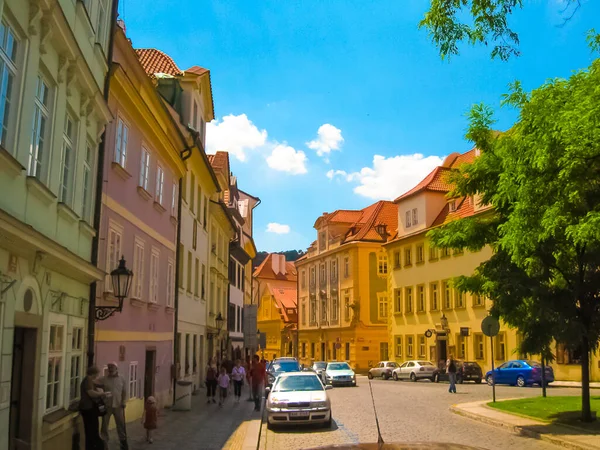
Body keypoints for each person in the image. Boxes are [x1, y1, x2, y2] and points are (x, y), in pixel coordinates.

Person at [100, 362, 129, 450]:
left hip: (118, 406)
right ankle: (105, 445)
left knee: (121, 425)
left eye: (112, 367)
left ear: (116, 368)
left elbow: (124, 392)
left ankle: (123, 444)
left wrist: (124, 402)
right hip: (107, 406)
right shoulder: (104, 379)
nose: (110, 369)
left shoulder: (122, 379)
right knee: (104, 426)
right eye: (109, 367)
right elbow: (94, 384)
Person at [79, 366, 106, 450]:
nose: (97, 376)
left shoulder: (89, 380)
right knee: (92, 430)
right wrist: (102, 394)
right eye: (97, 374)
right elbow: (91, 393)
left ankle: (93, 447)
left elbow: (96, 387)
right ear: (93, 373)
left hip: (88, 408)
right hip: (88, 409)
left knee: (92, 430)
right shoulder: (88, 380)